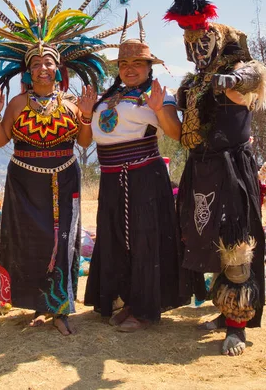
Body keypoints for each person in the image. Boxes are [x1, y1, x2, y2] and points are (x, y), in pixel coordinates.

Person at [0, 0, 134, 335]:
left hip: (65, 179)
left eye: (49, 62)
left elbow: (84, 141)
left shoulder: (71, 103)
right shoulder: (18, 102)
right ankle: (32, 304)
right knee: (28, 242)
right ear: (28, 70)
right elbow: (1, 140)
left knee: (63, 240)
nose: (42, 67)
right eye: (36, 63)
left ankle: (60, 309)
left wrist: (86, 115)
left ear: (59, 70)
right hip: (24, 182)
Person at [164, 0, 266, 356]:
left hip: (232, 168)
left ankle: (237, 325)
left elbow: (255, 79)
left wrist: (232, 79)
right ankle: (222, 310)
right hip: (200, 165)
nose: (195, 43)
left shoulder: (241, 69)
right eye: (188, 37)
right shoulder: (192, 84)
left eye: (201, 35)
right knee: (205, 237)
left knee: (236, 242)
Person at [84, 28, 187, 331]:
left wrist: (159, 109)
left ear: (149, 68)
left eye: (137, 65)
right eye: (124, 65)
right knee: (117, 240)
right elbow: (86, 140)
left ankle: (143, 310)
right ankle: (127, 300)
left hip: (143, 177)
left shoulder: (159, 96)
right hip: (111, 178)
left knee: (143, 241)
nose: (130, 70)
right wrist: (85, 114)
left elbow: (176, 134)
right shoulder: (107, 98)